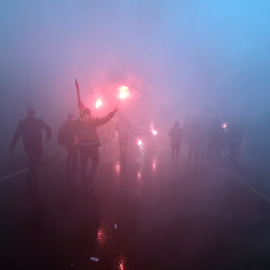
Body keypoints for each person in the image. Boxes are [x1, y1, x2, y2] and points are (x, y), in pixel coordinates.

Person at [73, 107, 118, 190]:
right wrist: (114, 111)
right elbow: (105, 119)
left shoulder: (76, 122)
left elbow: (72, 130)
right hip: (92, 145)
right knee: (96, 161)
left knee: (83, 163)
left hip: (82, 146)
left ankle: (84, 180)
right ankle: (90, 179)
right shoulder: (92, 120)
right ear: (89, 114)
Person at [10, 109, 52, 186]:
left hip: (27, 144)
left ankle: (33, 174)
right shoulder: (39, 121)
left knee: (31, 159)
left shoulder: (22, 122)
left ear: (27, 114)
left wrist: (13, 145)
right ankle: (30, 176)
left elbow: (17, 134)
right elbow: (49, 128)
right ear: (34, 114)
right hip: (37, 144)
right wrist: (48, 138)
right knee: (37, 158)